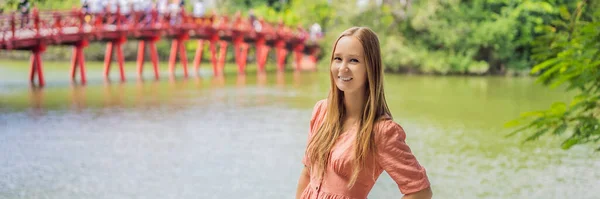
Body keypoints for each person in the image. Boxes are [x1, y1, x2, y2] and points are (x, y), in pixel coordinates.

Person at [295, 27, 433, 199]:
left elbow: (420, 191)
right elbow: (307, 173)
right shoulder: (321, 111)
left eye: (353, 61)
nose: (342, 68)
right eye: (338, 59)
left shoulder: (381, 131)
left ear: (370, 68)